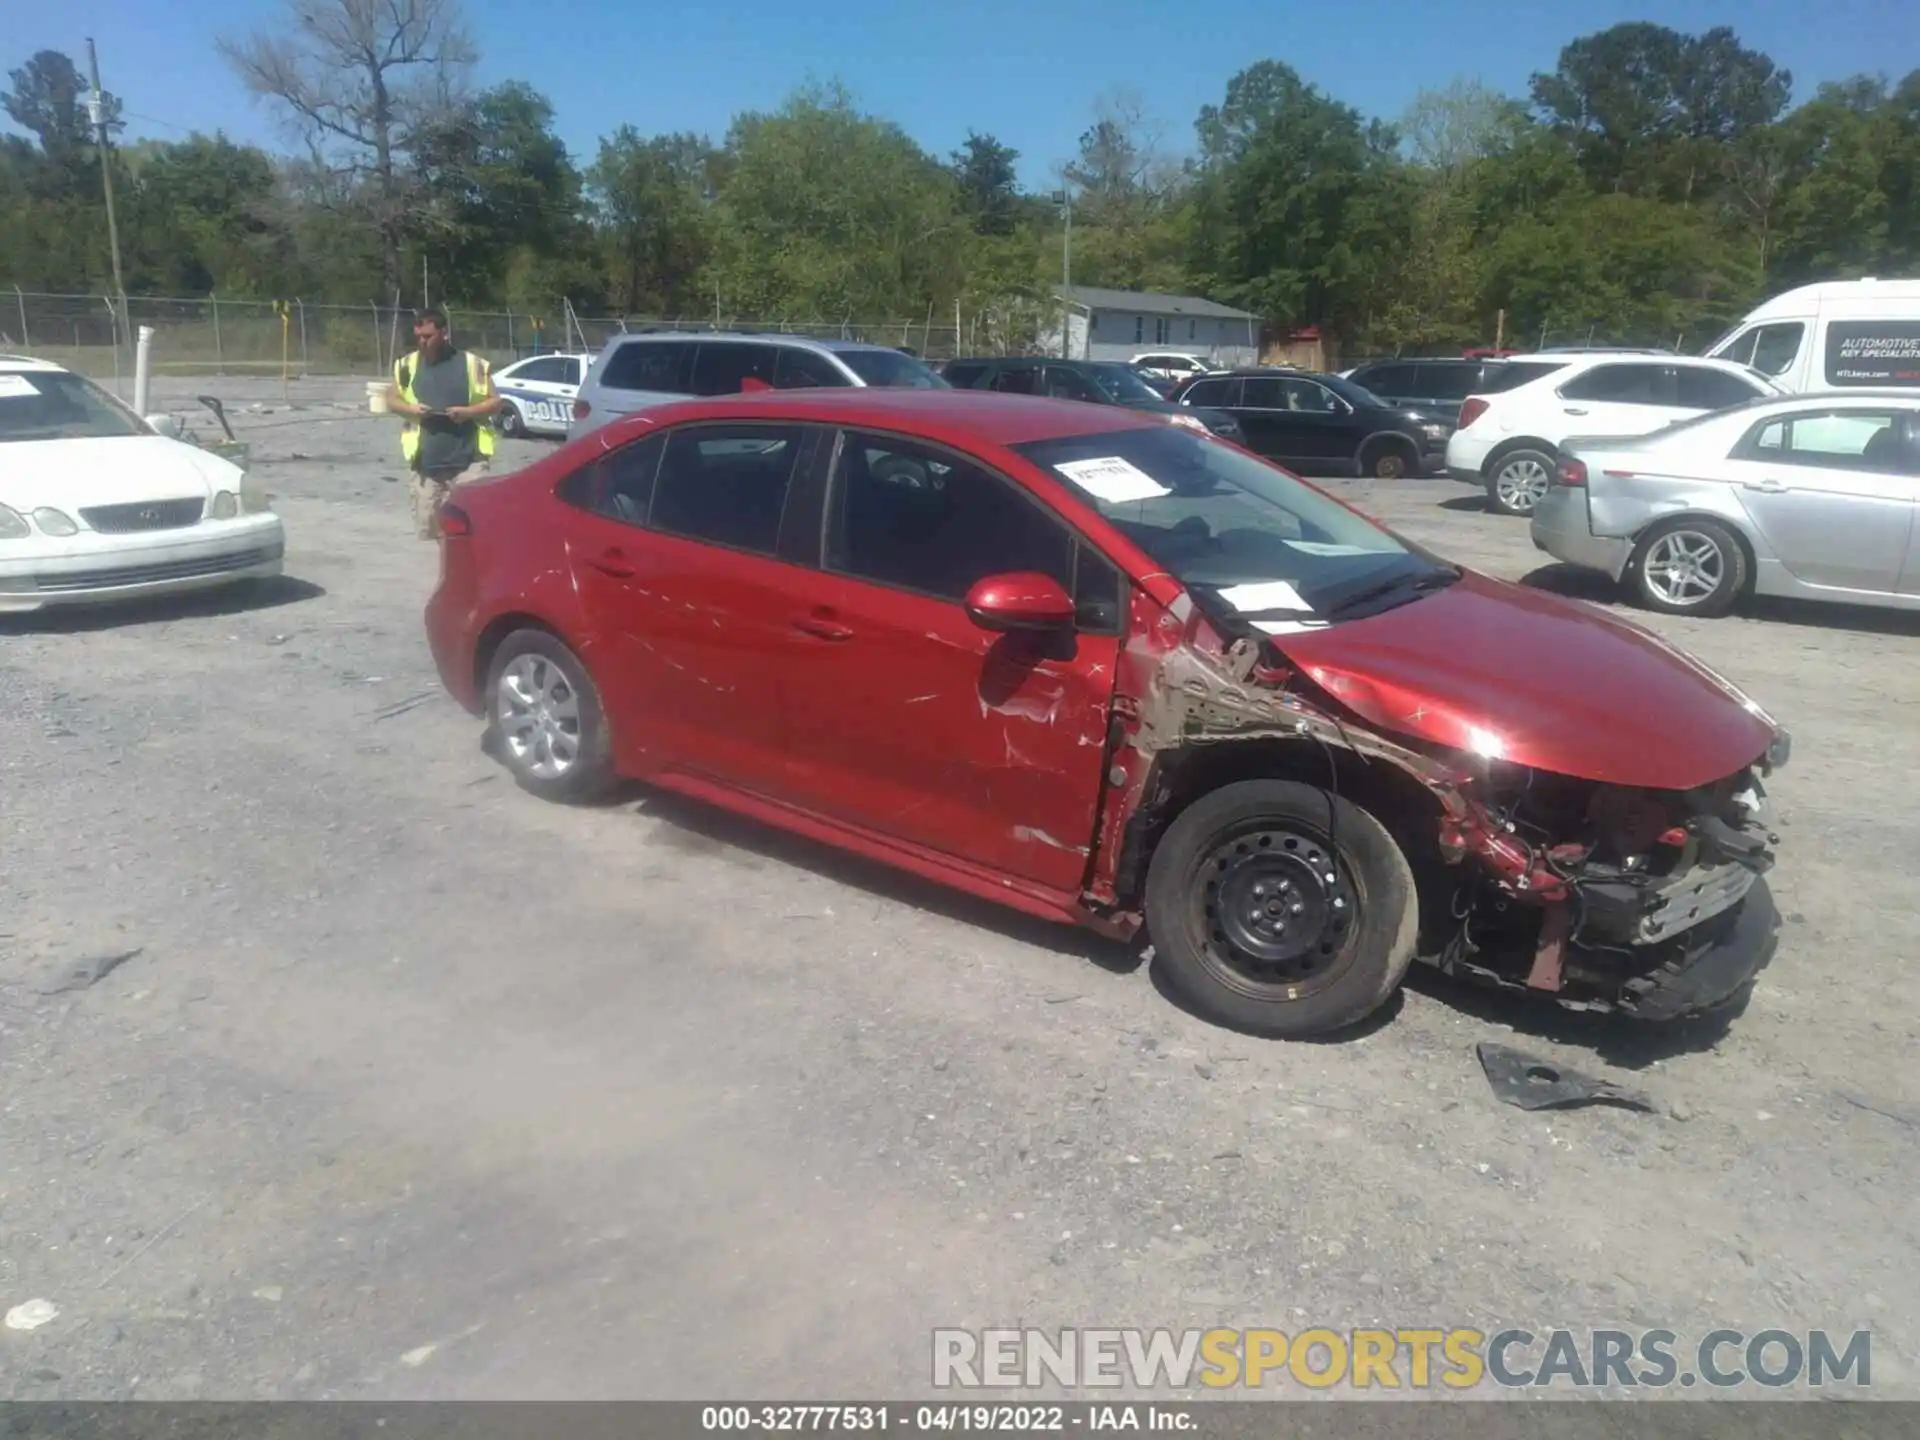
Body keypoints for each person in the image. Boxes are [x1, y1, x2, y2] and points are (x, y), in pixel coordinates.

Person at [385, 307, 504, 539]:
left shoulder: (472, 365)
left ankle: (465, 573)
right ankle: (445, 570)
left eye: (428, 336)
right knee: (430, 531)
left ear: (444, 333)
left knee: (469, 529)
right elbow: (391, 399)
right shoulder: (407, 366)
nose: (422, 341)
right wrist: (411, 409)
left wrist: (467, 412)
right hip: (426, 467)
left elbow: (496, 402)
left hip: (468, 463)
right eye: (418, 336)